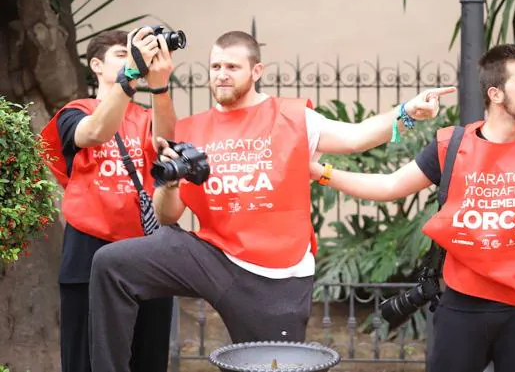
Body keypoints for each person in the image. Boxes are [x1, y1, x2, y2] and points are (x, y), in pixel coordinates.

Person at [86, 30, 456, 372]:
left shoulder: (292, 116)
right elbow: (169, 217)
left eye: (232, 66)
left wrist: (407, 112)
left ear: (256, 70)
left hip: (274, 277)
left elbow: (358, 136)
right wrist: (167, 185)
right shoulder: (191, 130)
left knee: (274, 366)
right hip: (211, 255)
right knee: (112, 264)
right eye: (215, 66)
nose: (222, 74)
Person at [309, 44, 515, 372]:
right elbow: (389, 186)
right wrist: (320, 173)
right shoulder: (451, 146)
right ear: (496, 94)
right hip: (461, 307)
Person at [40, 28, 177, 372]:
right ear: (97, 66)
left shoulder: (146, 116)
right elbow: (95, 132)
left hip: (145, 252)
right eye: (122, 54)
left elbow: (167, 143)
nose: (132, 60)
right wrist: (132, 72)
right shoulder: (74, 112)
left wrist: (159, 84)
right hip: (89, 253)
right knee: (86, 360)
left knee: (147, 358)